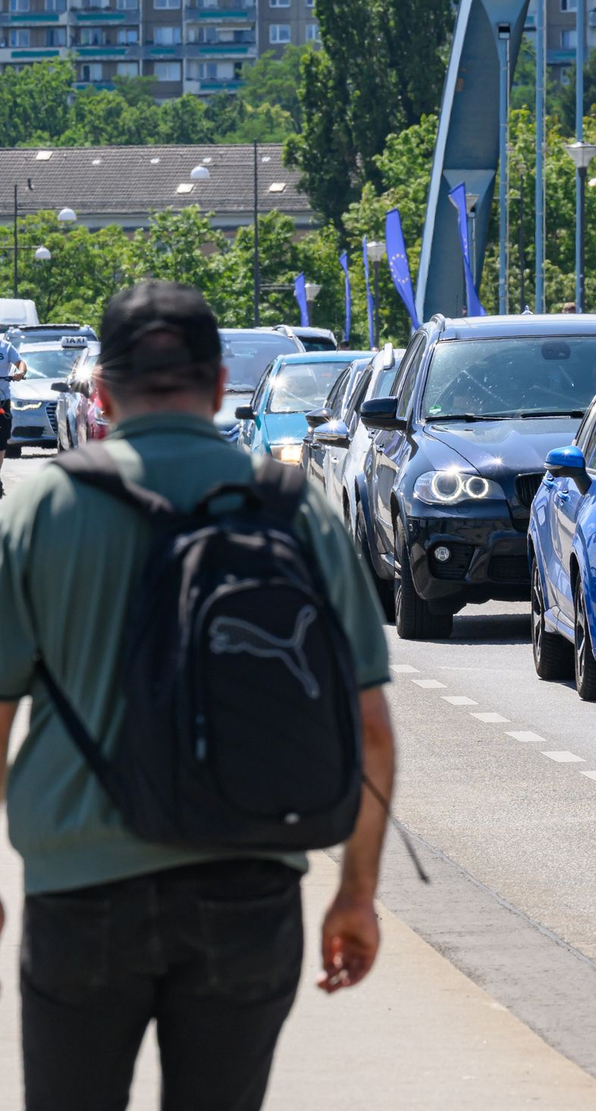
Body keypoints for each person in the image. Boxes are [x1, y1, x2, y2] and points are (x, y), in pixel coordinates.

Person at [0, 281, 395, 1111]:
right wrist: (355, 893)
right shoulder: (295, 509)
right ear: (220, 387)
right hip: (247, 887)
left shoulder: (40, 506)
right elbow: (371, 730)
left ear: (100, 393)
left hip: (81, 890)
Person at [0, 330, 28, 495]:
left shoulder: (5, 346)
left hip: (2, 399)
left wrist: (20, 373)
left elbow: (20, 363)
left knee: (2, 438)